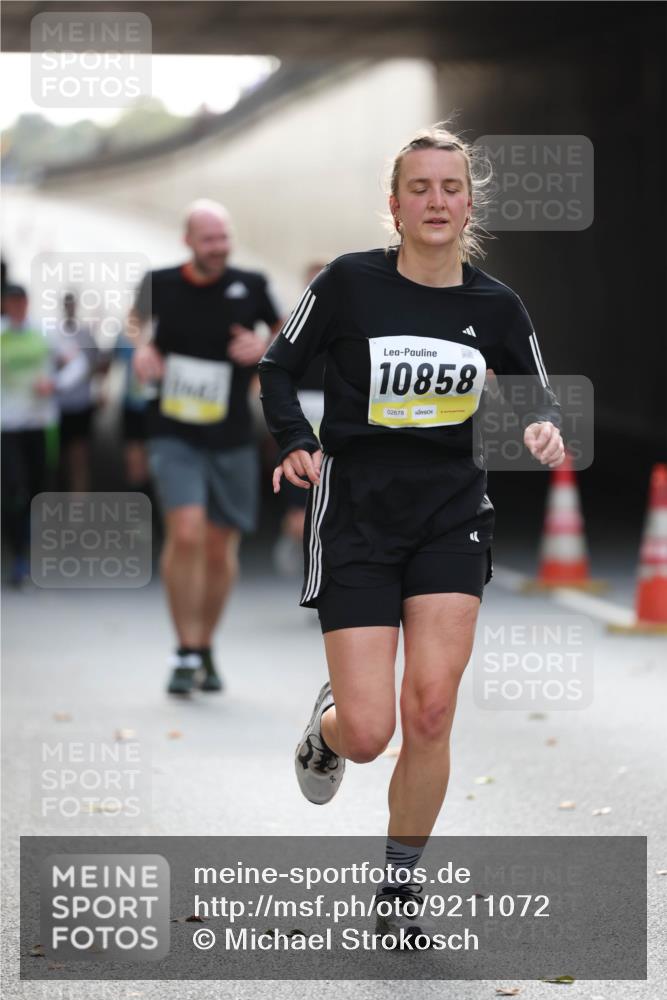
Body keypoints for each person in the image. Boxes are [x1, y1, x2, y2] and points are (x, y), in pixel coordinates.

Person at [258, 123, 565, 943]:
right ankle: (327, 727)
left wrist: (539, 429)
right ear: (393, 206)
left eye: (451, 187)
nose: (436, 201)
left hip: (449, 516)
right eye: (419, 188)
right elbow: (277, 366)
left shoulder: (496, 306)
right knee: (369, 734)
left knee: (430, 709)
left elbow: (538, 394)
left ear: (470, 203)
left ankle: (398, 887)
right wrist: (295, 439)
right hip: (355, 512)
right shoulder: (348, 284)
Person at [132, 199, 282, 695]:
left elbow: (288, 333)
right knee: (188, 531)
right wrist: (143, 348)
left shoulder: (251, 286)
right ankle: (183, 649)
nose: (218, 247)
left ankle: (204, 644)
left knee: (220, 548)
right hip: (173, 428)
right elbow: (135, 324)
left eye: (224, 237)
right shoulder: (161, 283)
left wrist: (265, 347)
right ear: (188, 241)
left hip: (231, 433)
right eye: (208, 239)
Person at [0, 286, 81, 584]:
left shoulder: (45, 332)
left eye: (22, 302)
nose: (17, 307)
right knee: (13, 490)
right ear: (4, 305)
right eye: (11, 303)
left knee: (37, 488)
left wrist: (56, 383)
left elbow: (78, 363)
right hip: (7, 426)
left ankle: (32, 544)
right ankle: (18, 554)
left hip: (41, 423)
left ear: (27, 303)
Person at [54, 292, 107, 495]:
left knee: (79, 458)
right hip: (58, 406)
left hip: (81, 405)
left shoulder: (85, 334)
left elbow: (98, 364)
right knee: (60, 460)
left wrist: (100, 388)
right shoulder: (54, 334)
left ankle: (79, 505)